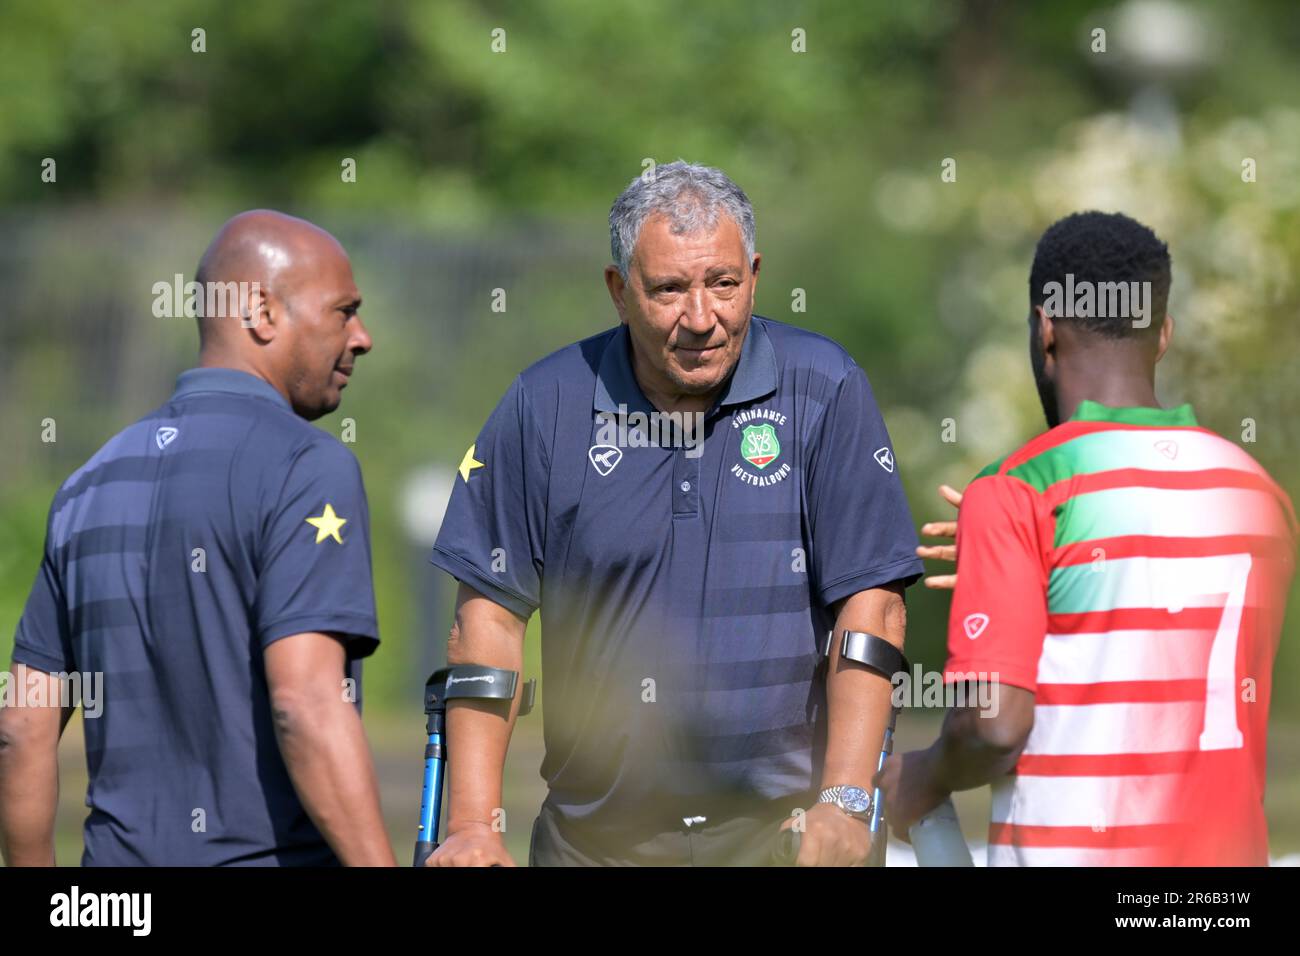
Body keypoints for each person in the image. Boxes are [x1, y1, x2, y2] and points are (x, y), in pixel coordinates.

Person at [427, 161, 923, 866]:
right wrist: (473, 824)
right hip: (593, 846)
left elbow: (872, 606)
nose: (701, 318)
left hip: (788, 845)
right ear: (618, 290)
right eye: (668, 289)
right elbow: (487, 624)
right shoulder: (545, 406)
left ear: (753, 274)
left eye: (723, 283)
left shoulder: (826, 388)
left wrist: (846, 801)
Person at [878, 211, 1296, 865]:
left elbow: (994, 728)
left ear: (1045, 328)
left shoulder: (1022, 488)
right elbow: (1159, 611)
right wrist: (1025, 574)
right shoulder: (1258, 494)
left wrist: (925, 773)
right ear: (1163, 335)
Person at [0, 210, 396, 866]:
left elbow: (20, 727)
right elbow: (306, 702)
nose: (362, 337)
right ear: (263, 313)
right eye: (344, 311)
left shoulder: (87, 484)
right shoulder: (308, 466)